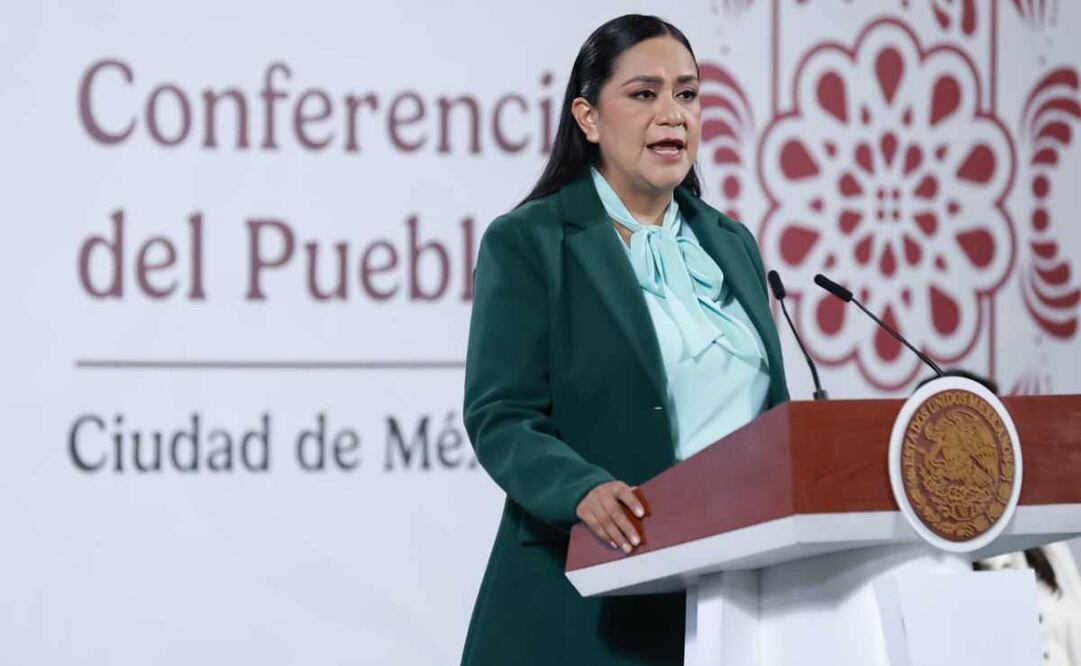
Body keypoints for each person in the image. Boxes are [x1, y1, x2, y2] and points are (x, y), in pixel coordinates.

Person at [459, 14, 789, 665]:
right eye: (643, 94)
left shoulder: (730, 244)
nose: (672, 114)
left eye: (687, 94)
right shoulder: (529, 241)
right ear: (586, 117)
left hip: (731, 595)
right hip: (588, 593)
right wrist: (580, 488)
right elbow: (501, 415)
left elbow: (769, 419)